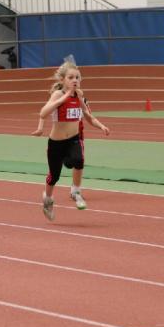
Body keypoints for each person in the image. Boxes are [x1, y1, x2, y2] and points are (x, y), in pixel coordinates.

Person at [38, 59, 109, 220]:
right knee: (54, 176)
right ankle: (48, 200)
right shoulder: (58, 94)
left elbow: (88, 115)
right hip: (56, 143)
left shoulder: (79, 95)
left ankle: (76, 191)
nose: (75, 80)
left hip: (73, 139)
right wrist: (63, 98)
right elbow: (43, 113)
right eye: (70, 77)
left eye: (77, 77)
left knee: (78, 160)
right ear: (62, 80)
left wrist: (101, 126)